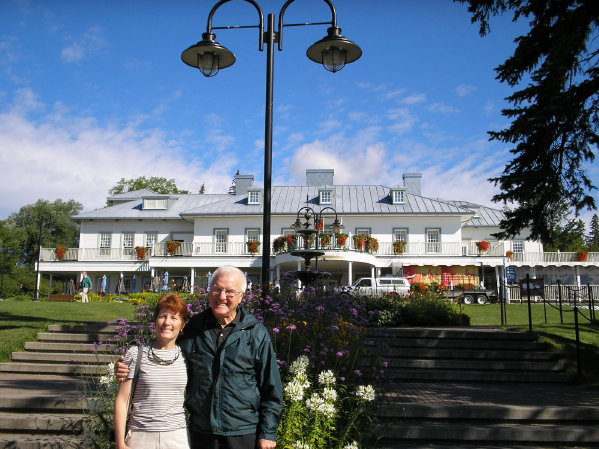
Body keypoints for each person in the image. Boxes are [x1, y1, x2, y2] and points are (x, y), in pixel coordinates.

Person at [117, 266, 284, 449]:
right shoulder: (194, 329)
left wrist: (268, 432)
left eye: (229, 291)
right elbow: (168, 355)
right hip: (201, 433)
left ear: (241, 296)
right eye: (216, 289)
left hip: (242, 431)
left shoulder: (256, 333)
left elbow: (271, 386)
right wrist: (128, 365)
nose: (221, 296)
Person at [114, 293, 190, 449]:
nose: (167, 322)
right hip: (141, 436)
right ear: (155, 320)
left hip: (177, 437)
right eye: (162, 316)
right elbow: (122, 400)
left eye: (174, 318)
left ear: (182, 324)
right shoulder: (136, 354)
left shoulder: (187, 356)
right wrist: (120, 443)